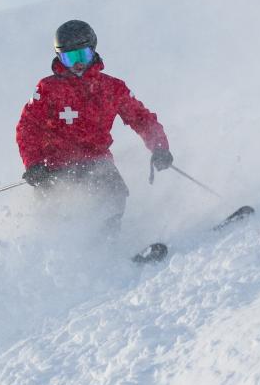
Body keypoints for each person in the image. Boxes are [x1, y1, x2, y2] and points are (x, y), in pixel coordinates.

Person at [16, 19, 173, 238]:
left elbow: (141, 118)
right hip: (54, 168)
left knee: (114, 195)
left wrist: (159, 147)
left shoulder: (112, 88)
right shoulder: (48, 88)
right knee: (56, 210)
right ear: (59, 57)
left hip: (95, 161)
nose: (77, 64)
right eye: (70, 58)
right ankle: (54, 255)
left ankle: (105, 250)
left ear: (93, 51)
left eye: (83, 56)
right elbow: (28, 127)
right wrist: (33, 164)